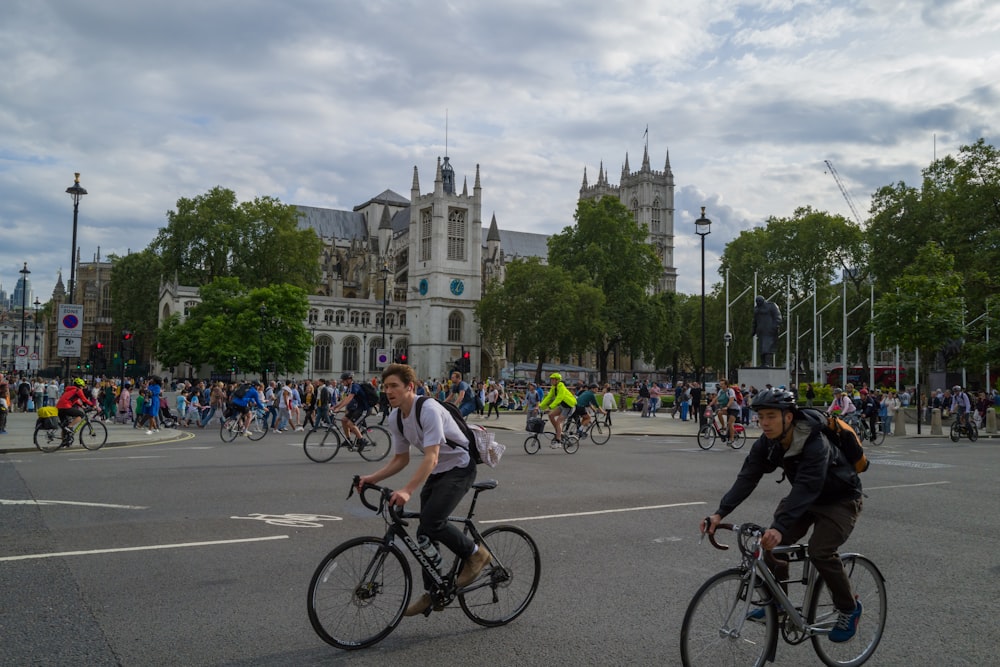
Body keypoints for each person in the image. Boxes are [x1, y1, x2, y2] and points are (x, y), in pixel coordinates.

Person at [700, 388, 864, 643]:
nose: (764, 422)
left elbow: (807, 485)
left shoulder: (814, 442)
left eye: (771, 416)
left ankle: (849, 608)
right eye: (761, 416)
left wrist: (779, 526)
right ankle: (777, 605)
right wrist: (720, 513)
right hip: (806, 499)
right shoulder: (769, 443)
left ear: (788, 417)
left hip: (840, 499)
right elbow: (747, 477)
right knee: (771, 546)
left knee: (820, 551)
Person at [359, 363, 491, 617]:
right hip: (439, 471)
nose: (388, 391)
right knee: (424, 534)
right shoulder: (396, 417)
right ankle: (436, 592)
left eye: (394, 386)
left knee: (432, 521)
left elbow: (431, 457)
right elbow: (401, 459)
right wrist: (371, 478)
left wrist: (408, 490)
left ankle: (476, 554)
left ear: (410, 387)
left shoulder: (428, 408)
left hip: (460, 467)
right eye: (385, 387)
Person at [539, 372, 577, 447]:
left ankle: (558, 441)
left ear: (558, 380)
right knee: (551, 415)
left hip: (569, 406)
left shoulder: (561, 387)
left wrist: (550, 407)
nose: (551, 381)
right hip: (562, 406)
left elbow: (559, 398)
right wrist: (540, 406)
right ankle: (559, 432)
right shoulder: (554, 388)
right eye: (551, 379)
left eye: (553, 380)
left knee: (559, 421)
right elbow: (548, 397)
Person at [331, 372, 369, 444]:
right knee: (344, 420)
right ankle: (348, 440)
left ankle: (362, 440)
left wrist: (339, 409)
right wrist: (335, 407)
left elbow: (350, 398)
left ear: (349, 380)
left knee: (350, 424)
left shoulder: (355, 386)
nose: (342, 382)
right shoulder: (349, 388)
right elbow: (345, 399)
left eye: (343, 380)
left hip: (364, 409)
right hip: (357, 408)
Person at [752, 295, 783, 367]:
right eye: (757, 302)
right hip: (761, 331)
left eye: (759, 301)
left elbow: (778, 317)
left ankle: (767, 363)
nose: (758, 303)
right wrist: (753, 330)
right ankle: (763, 363)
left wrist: (774, 327)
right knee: (761, 348)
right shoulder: (756, 309)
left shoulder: (772, 306)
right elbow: (754, 321)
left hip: (770, 331)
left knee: (768, 347)